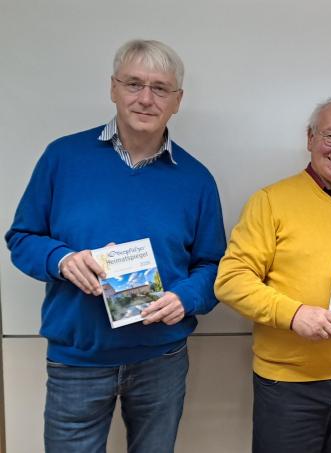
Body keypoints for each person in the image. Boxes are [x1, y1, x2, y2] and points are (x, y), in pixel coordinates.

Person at [5, 39, 226, 452]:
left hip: (161, 358)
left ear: (177, 101)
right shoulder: (62, 157)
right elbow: (21, 238)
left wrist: (185, 297)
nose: (145, 98)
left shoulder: (196, 179)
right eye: (133, 84)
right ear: (112, 88)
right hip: (78, 359)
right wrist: (62, 259)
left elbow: (214, 265)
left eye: (160, 88)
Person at [214, 99, 331, 453]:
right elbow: (231, 280)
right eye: (330, 136)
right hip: (289, 386)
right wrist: (294, 314)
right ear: (310, 138)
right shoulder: (270, 201)